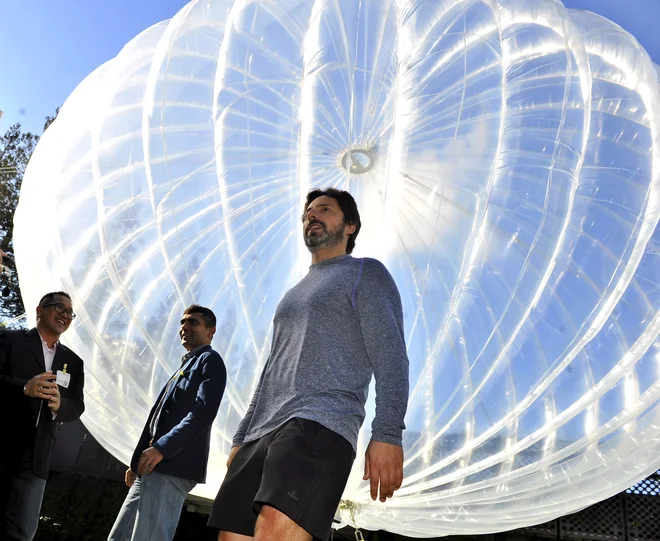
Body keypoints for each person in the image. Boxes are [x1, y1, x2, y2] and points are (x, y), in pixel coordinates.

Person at [208, 188, 410, 541]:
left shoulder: (366, 273)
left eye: (324, 210)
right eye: (307, 213)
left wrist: (388, 434)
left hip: (321, 421)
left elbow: (391, 355)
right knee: (232, 537)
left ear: (350, 226)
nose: (311, 216)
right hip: (262, 431)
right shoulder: (291, 295)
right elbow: (272, 371)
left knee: (275, 531)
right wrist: (242, 437)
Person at [108, 304, 227, 541]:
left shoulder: (210, 361)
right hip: (150, 469)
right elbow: (157, 418)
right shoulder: (184, 366)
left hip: (172, 466)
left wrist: (163, 448)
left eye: (193, 322)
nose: (184, 327)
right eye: (182, 322)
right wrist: (136, 463)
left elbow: (203, 412)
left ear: (211, 331)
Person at [0, 289, 85, 541]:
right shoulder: (8, 339)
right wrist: (24, 387)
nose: (65, 315)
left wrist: (60, 405)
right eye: (60, 308)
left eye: (70, 312)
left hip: (37, 458)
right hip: (3, 444)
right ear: (40, 309)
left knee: (21, 531)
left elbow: (77, 405)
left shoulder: (74, 361)